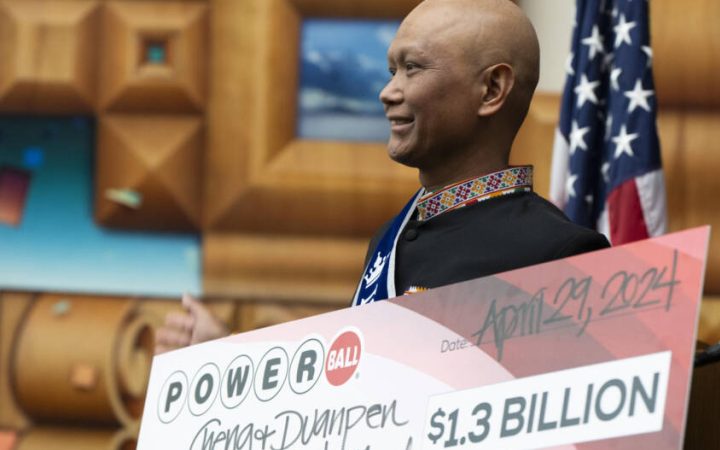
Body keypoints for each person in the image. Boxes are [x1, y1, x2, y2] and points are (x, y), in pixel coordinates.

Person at [154, 0, 609, 354]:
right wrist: (222, 353)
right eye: (392, 70)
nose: (387, 92)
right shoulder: (390, 240)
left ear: (491, 90)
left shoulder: (561, 256)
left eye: (412, 68)